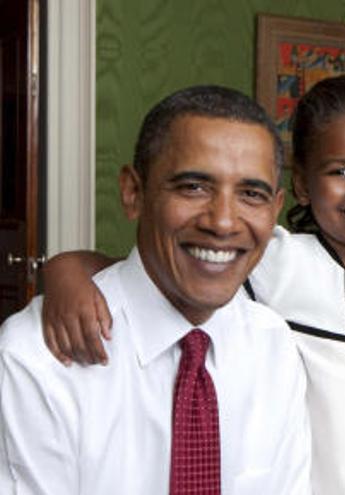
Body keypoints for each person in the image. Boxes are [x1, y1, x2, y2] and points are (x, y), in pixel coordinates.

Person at [36, 75, 345, 494]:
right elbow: (153, 274)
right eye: (339, 171)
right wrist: (64, 270)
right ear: (302, 186)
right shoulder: (278, 262)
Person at [0, 85, 311, 494]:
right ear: (134, 193)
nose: (222, 222)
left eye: (251, 194)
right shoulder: (37, 357)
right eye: (193, 187)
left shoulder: (274, 347)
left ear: (275, 208)